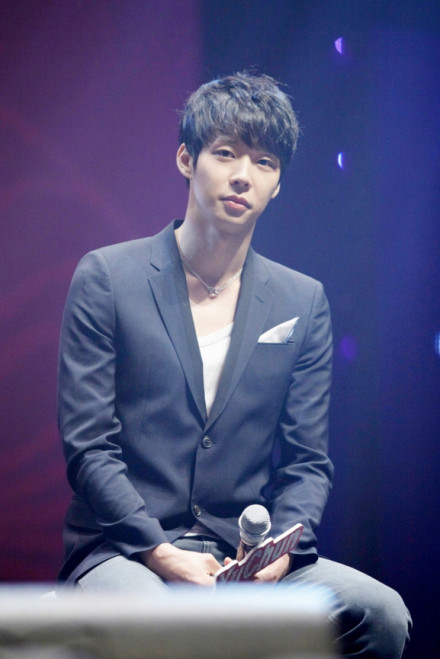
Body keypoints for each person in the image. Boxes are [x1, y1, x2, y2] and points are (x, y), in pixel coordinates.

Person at [57, 72, 411, 656]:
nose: (243, 175)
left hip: (242, 556)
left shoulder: (301, 300)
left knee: (380, 615)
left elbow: (307, 461)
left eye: (264, 162)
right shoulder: (109, 277)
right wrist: (161, 553)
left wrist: (279, 557)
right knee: (160, 626)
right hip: (127, 550)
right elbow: (90, 447)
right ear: (186, 159)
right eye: (225, 153)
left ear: (278, 185)